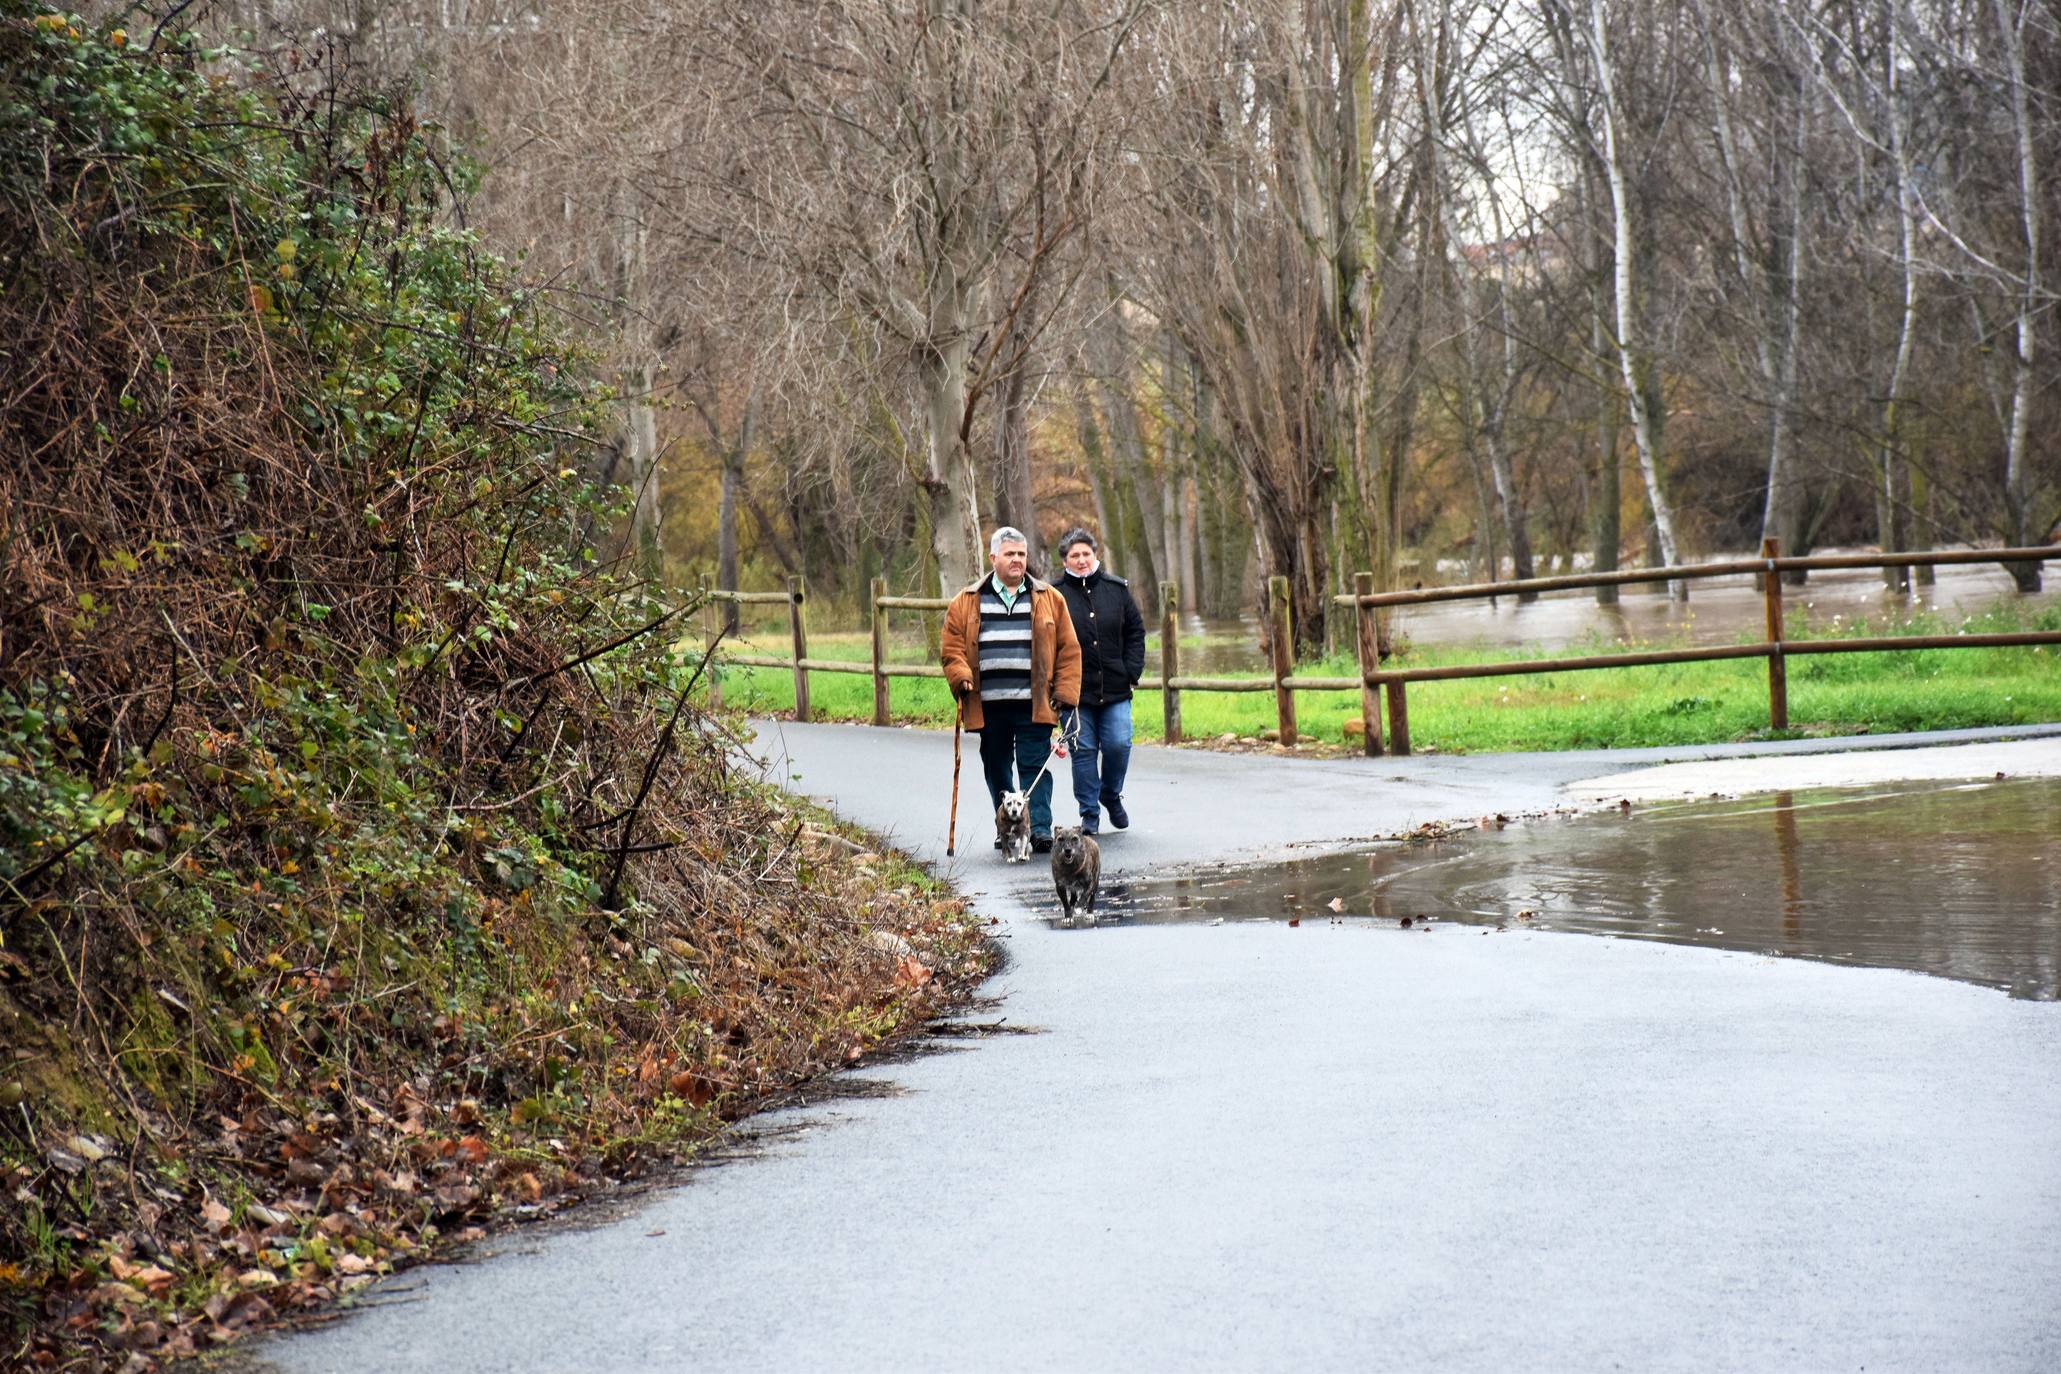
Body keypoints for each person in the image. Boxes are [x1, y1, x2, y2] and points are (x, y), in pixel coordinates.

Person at [940, 527, 1082, 853]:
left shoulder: (1049, 598)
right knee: (996, 764)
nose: (1017, 560)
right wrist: (960, 675)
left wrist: (1065, 692)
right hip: (988, 704)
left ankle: (1040, 830)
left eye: (1021, 554)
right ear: (993, 558)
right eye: (1009, 554)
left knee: (1035, 765)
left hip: (1035, 701)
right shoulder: (967, 601)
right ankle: (1007, 826)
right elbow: (952, 647)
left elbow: (1069, 650)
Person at [1053, 527, 1146, 835]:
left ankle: (1110, 794)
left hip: (1116, 687)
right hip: (1074, 693)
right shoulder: (1055, 596)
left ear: (1095, 555)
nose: (1081, 560)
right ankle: (1089, 812)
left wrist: (1131, 671)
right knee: (1084, 752)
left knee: (1119, 743)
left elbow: (1135, 632)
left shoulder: (1116, 589)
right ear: (1065, 560)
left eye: (1086, 554)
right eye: (1074, 555)